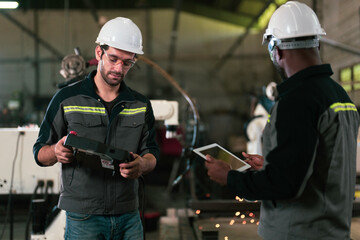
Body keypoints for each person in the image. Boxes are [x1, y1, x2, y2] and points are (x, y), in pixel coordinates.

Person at [205, 1, 359, 239]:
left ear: (277, 50)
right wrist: (271, 165)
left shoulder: (296, 101)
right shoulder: (340, 96)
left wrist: (230, 177)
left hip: (298, 232)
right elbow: (322, 166)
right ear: (316, 43)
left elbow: (284, 184)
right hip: (334, 231)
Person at [33, 17, 159, 240]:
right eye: (113, 59)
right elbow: (39, 152)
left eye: (127, 62)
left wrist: (142, 164)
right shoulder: (66, 98)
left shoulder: (140, 104)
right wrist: (55, 151)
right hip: (83, 218)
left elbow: (152, 152)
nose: (119, 68)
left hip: (129, 215)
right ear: (99, 53)